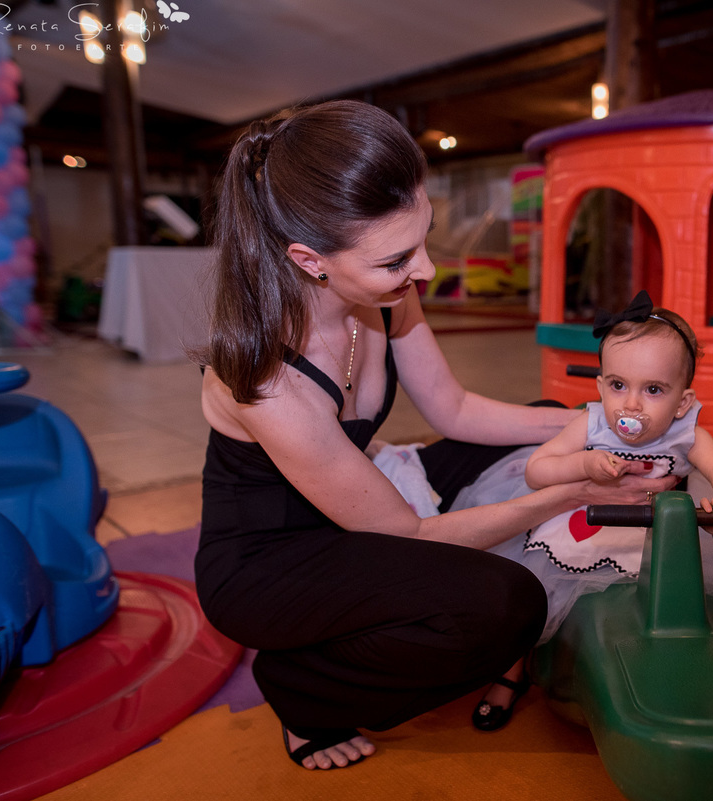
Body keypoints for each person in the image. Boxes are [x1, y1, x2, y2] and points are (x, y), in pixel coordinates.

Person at [193, 100, 675, 771]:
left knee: (540, 421)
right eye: (398, 259)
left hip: (362, 498)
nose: (427, 270)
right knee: (505, 605)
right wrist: (567, 491)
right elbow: (404, 534)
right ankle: (303, 687)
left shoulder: (386, 288)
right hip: (271, 560)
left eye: (424, 239)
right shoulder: (262, 373)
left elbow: (453, 409)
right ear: (309, 259)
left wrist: (597, 428)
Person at [449, 291, 713, 732]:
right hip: (592, 521)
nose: (630, 405)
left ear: (682, 403)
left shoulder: (688, 434)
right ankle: (511, 672)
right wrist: (583, 464)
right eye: (618, 385)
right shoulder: (590, 424)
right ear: (600, 385)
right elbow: (537, 471)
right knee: (532, 586)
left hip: (665, 529)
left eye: (653, 390)